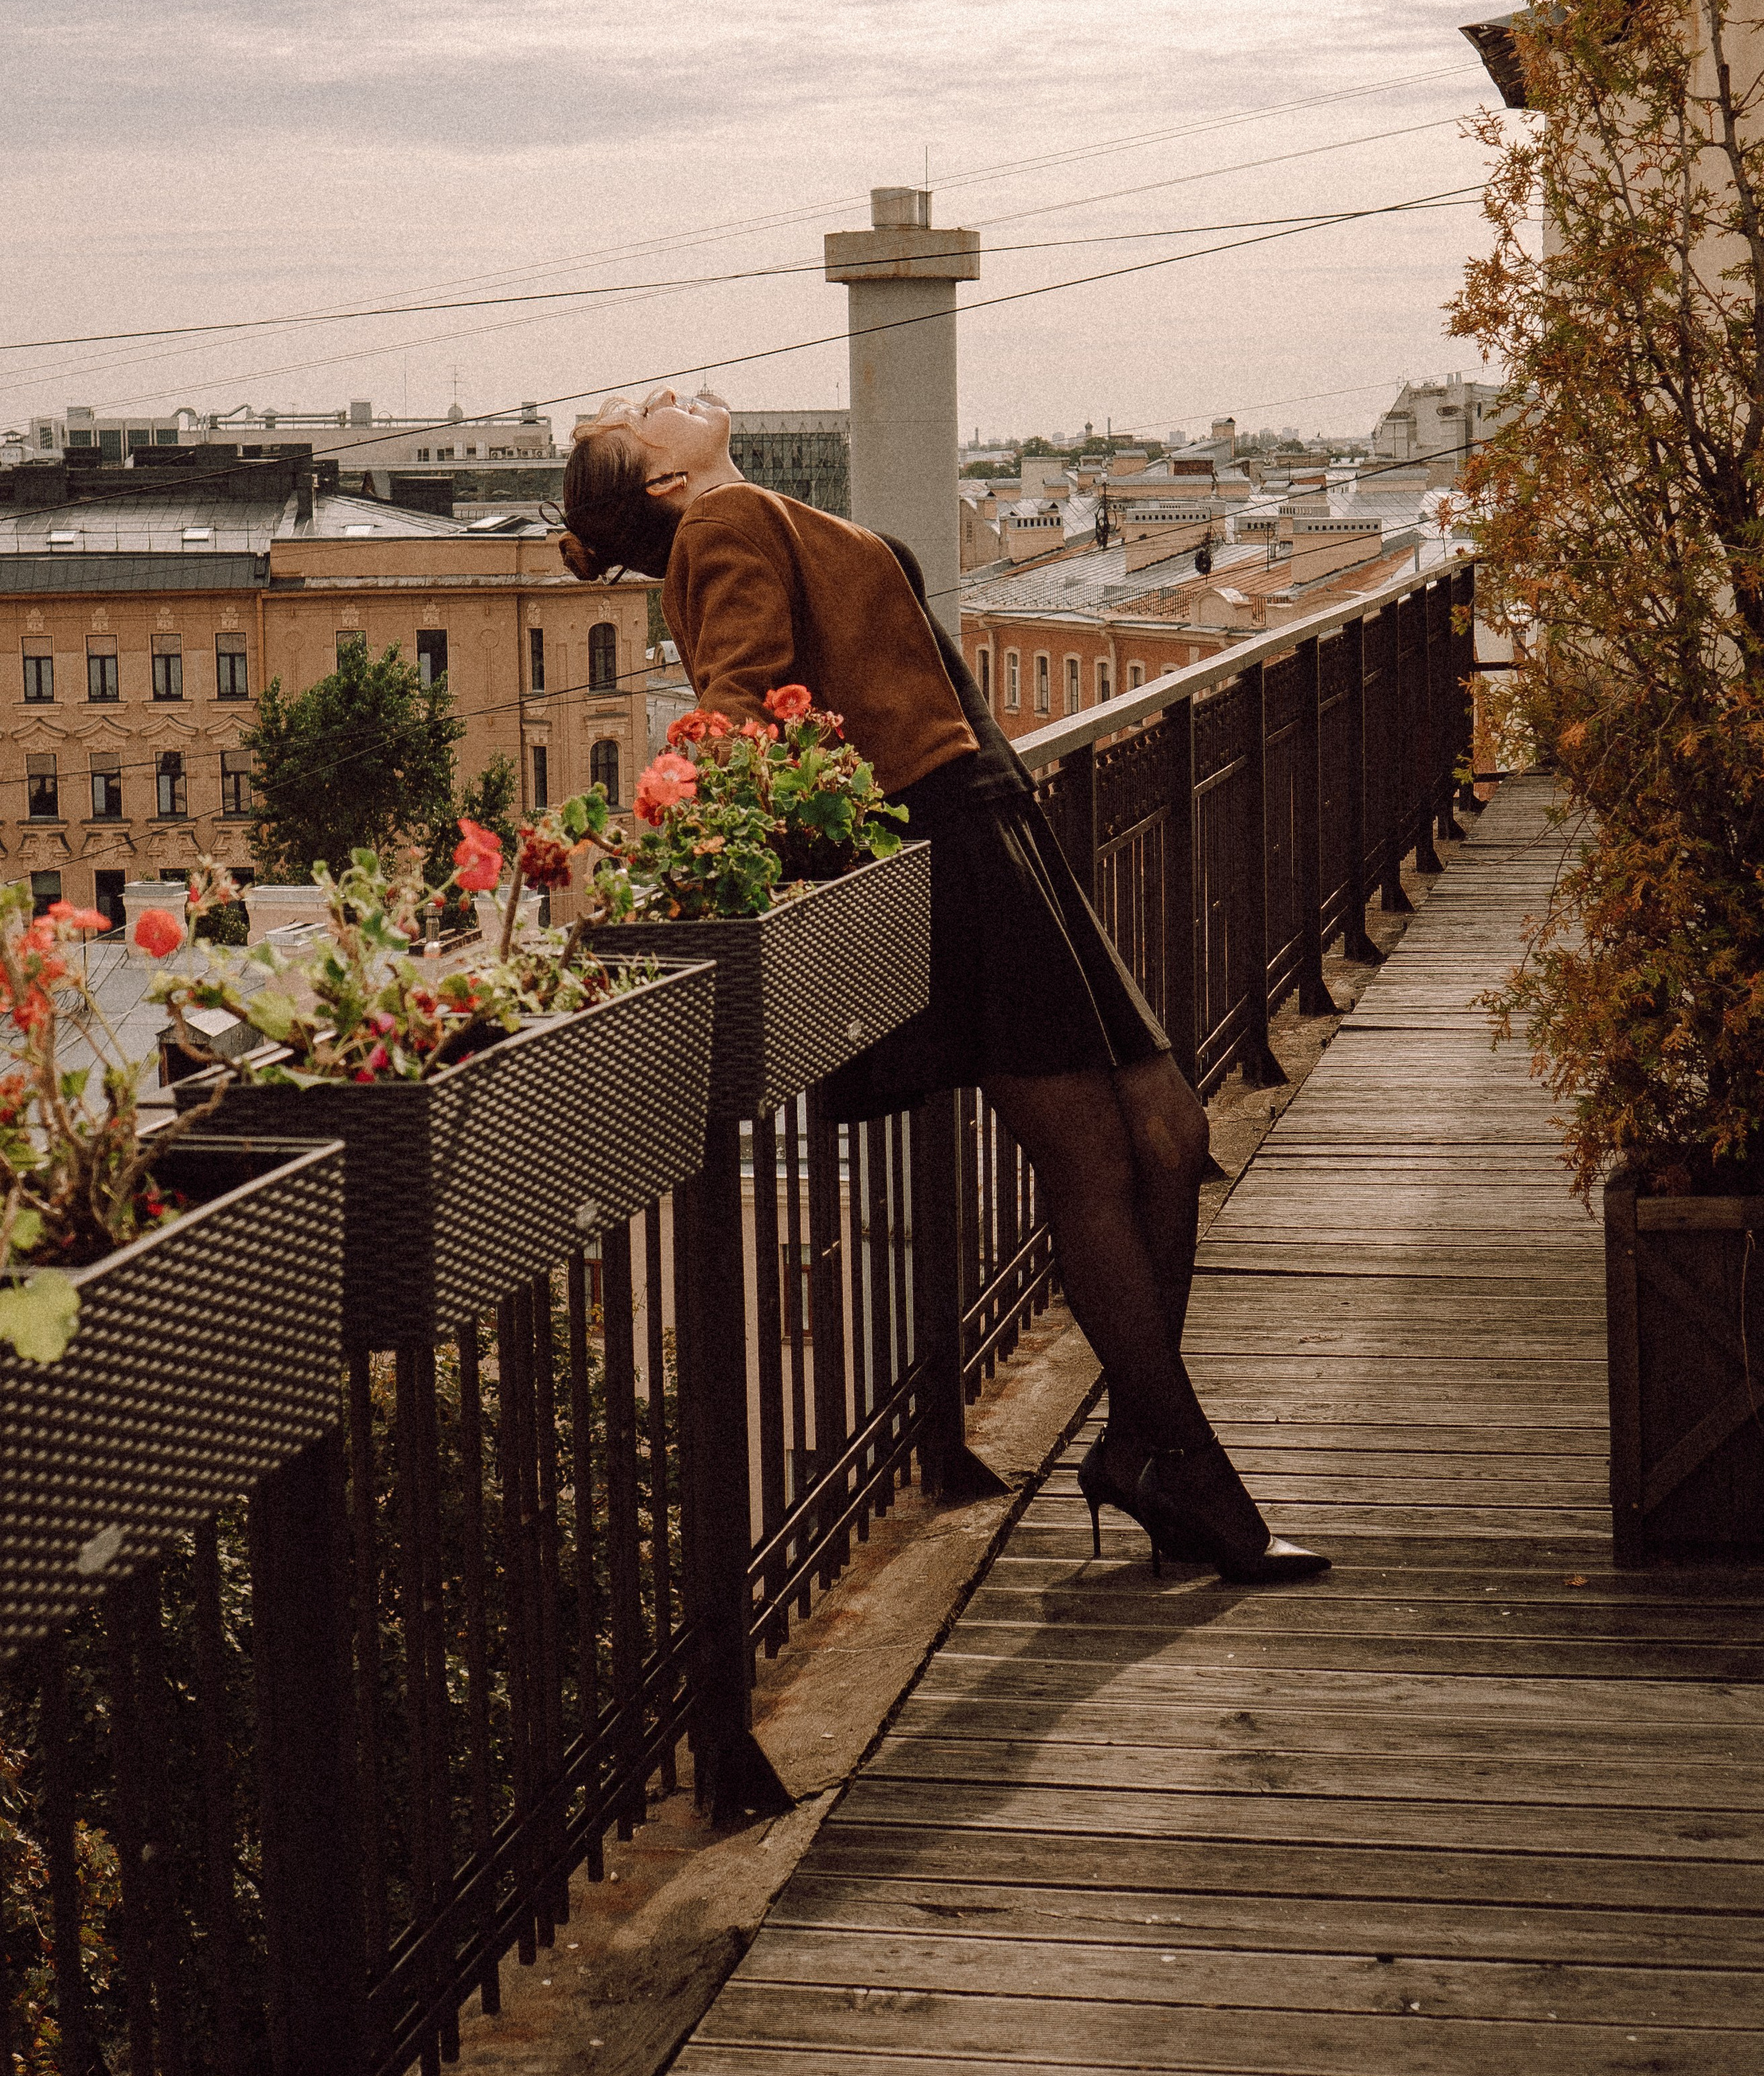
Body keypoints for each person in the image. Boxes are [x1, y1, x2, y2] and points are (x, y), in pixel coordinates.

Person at [559, 387, 1327, 1583]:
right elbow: (735, 705)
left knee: (1168, 1134)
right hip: (952, 843)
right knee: (1097, 1157)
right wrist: (675, 836)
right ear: (663, 482)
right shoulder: (721, 525)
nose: (665, 394)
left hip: (996, 819)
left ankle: (1136, 1446)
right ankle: (1198, 1479)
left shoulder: (749, 512)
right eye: (641, 412)